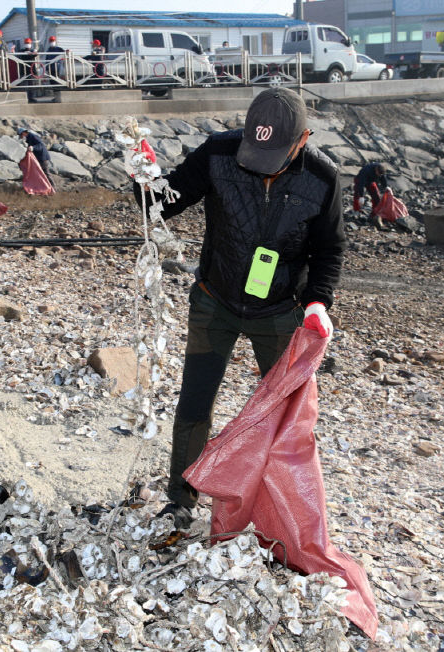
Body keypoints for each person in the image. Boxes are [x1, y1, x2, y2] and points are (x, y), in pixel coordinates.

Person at [134, 88, 346, 529]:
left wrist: (318, 303)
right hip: (215, 301)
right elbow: (161, 205)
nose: (259, 161)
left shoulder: (322, 179)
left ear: (301, 140)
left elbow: (330, 249)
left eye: (274, 154)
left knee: (288, 418)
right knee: (195, 403)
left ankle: (282, 515)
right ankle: (180, 500)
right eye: (256, 149)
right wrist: (144, 177)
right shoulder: (219, 154)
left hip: (280, 311)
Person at [353, 162, 388, 227]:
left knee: (376, 196)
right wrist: (361, 196)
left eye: (381, 174)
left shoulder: (381, 171)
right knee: (357, 195)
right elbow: (361, 183)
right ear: (376, 169)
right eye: (378, 173)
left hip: (371, 181)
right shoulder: (366, 170)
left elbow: (383, 178)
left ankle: (374, 214)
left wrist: (385, 186)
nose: (379, 175)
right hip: (360, 179)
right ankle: (356, 211)